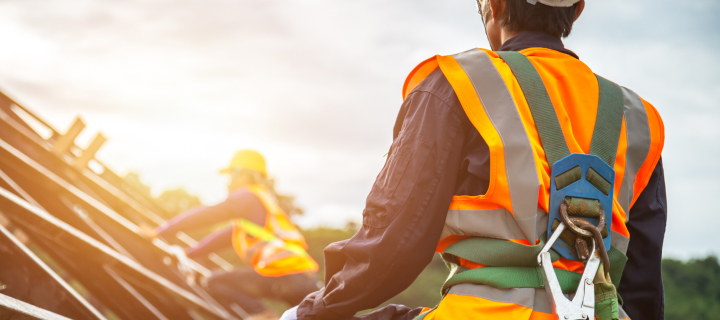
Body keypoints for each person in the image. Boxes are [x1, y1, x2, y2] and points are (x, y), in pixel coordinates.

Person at [282, 0, 666, 320]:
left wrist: (311, 311)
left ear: (494, 7)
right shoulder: (639, 119)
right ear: (577, 10)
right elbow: (641, 284)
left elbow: (393, 247)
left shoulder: (457, 83)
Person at [152, 150, 320, 319]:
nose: (228, 182)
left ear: (242, 174)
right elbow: (217, 240)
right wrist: (188, 254)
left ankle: (263, 314)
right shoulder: (257, 212)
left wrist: (159, 231)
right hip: (306, 279)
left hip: (283, 276)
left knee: (215, 282)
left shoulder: (248, 196)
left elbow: (207, 214)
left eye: (231, 175)